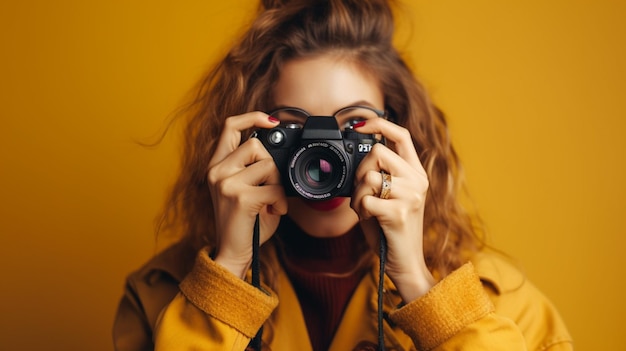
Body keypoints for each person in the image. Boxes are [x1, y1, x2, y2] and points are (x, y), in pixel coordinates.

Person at [113, 0, 572, 350]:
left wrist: (417, 281)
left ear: (400, 133)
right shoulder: (160, 298)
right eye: (292, 127)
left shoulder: (505, 304)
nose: (323, 158)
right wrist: (229, 271)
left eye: (353, 126)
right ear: (247, 137)